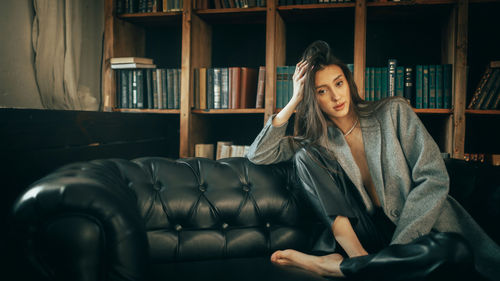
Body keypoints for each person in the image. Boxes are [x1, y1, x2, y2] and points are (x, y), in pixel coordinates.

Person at [246, 40, 500, 280]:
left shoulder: (393, 112)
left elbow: (433, 177)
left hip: (420, 225)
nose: (335, 97)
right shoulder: (317, 142)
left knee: (454, 249)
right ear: (313, 99)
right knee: (304, 155)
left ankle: (342, 267)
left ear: (348, 82)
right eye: (322, 91)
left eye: (339, 83)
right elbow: (258, 154)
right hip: (367, 235)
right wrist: (294, 100)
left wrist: (398, 249)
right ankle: (362, 260)